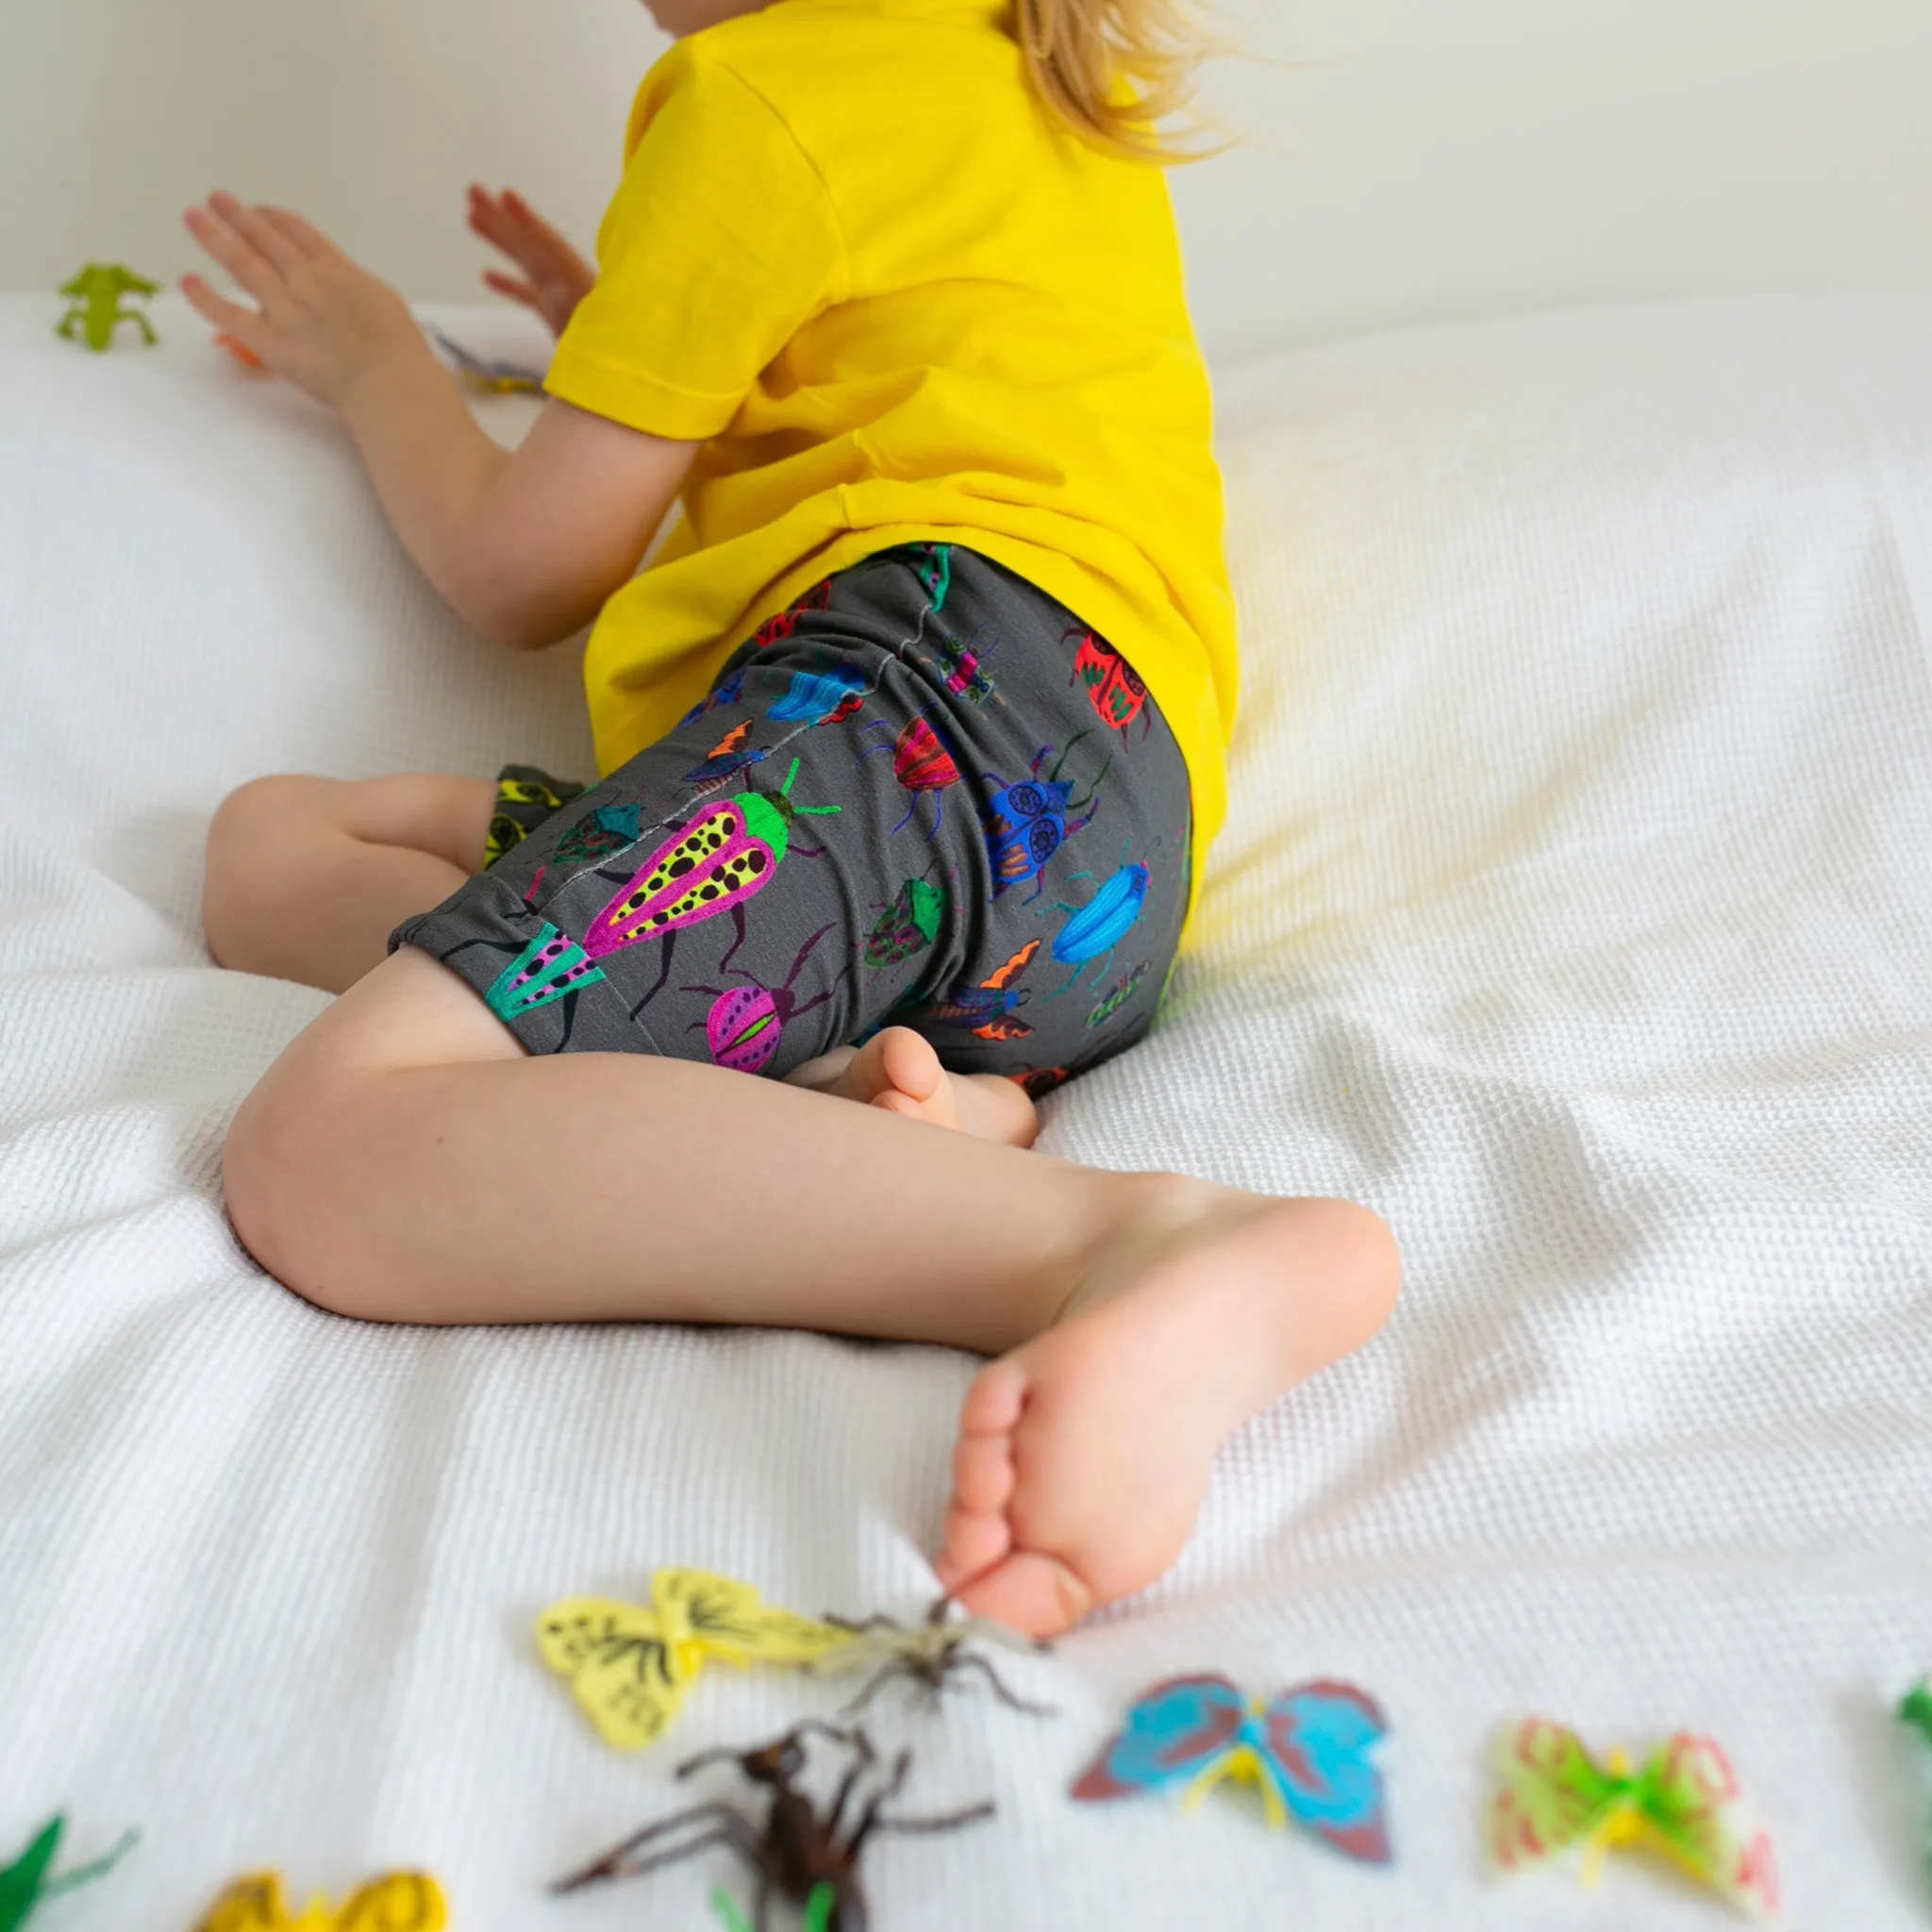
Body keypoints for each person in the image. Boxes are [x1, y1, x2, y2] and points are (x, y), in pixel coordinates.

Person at [182, 0, 1400, 1637]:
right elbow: (901, 354)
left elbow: (520, 571)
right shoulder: (1035, 77)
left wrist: (376, 360)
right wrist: (618, 330)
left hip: (910, 715)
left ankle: (1122, 1242)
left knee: (323, 1145)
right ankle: (873, 1092)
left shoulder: (759, 98)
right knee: (273, 851)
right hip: (1091, 872)